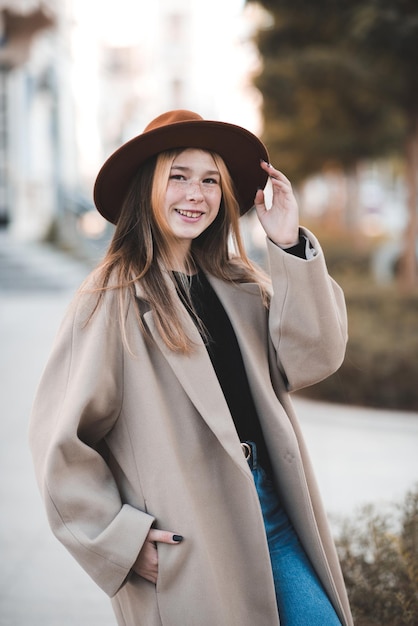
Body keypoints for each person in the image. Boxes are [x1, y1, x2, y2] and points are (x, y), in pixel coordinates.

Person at [29, 109, 353, 626]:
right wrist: (119, 540)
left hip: (274, 512)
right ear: (148, 187)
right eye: (177, 177)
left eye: (209, 181)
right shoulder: (111, 299)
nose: (195, 195)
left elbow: (313, 359)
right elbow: (61, 442)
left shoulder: (241, 287)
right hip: (192, 530)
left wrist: (287, 243)